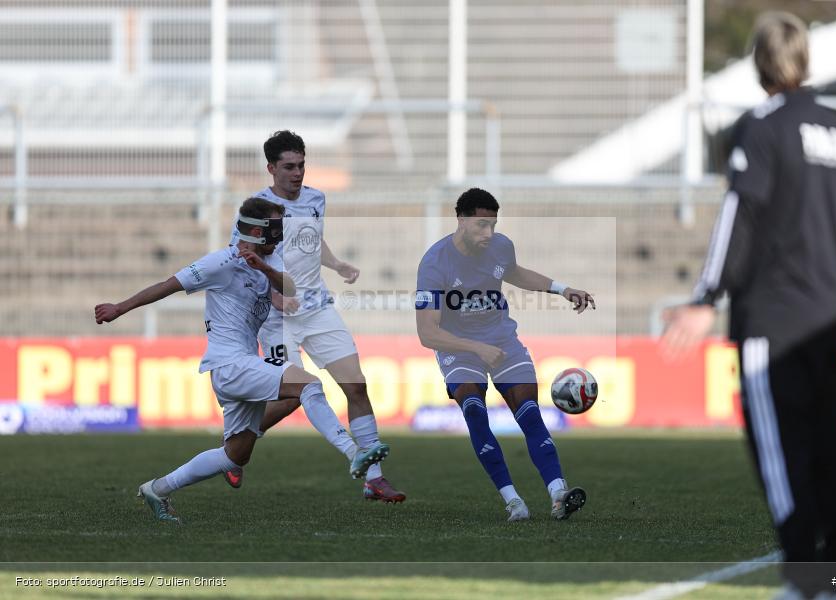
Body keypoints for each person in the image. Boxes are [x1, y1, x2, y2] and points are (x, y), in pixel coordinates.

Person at [661, 12, 836, 599]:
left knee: (781, 453)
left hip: (771, 324)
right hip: (824, 324)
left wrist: (704, 297)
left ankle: (804, 579)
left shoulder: (761, 128)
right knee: (830, 450)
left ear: (759, 64)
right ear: (805, 60)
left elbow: (739, 214)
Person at [95, 197, 388, 523]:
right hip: (229, 364)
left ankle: (158, 489)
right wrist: (120, 308)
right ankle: (354, 453)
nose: (280, 235)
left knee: (235, 454)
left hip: (242, 364)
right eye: (275, 228)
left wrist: (264, 269)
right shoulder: (220, 262)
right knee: (309, 385)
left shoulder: (269, 258)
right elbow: (169, 285)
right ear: (255, 230)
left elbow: (290, 286)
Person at [223, 130, 405, 503]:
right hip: (277, 318)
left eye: (302, 165)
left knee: (356, 385)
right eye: (289, 166)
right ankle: (233, 447)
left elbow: (311, 240)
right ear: (271, 168)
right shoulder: (256, 208)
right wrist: (272, 294)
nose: (297, 173)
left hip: (317, 306)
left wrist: (336, 264)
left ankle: (374, 478)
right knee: (291, 397)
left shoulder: (316, 198)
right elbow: (240, 258)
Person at [415, 187, 594, 521]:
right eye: (481, 225)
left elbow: (515, 272)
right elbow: (428, 333)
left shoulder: (500, 246)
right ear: (461, 220)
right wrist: (475, 348)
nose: (489, 233)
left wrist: (563, 289)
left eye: (493, 225)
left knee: (528, 412)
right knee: (474, 410)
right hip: (458, 346)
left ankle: (558, 493)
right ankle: (513, 501)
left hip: (501, 338)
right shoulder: (434, 264)